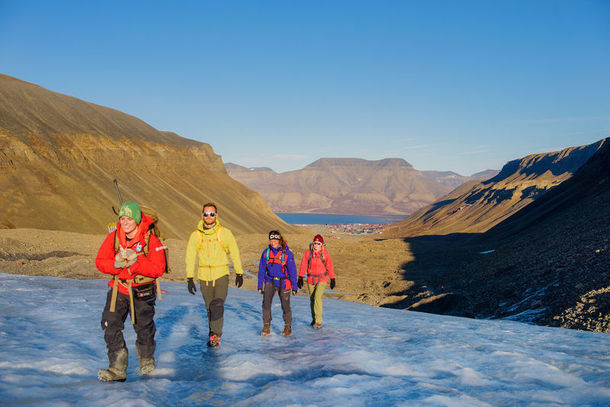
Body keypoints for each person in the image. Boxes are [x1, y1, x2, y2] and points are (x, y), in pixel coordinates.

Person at [96, 201, 166, 382]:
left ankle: (146, 360)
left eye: (129, 218)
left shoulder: (151, 240)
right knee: (109, 324)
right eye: (122, 218)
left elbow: (158, 268)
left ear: (137, 219)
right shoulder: (114, 237)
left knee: (143, 327)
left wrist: (137, 263)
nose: (125, 222)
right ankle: (117, 368)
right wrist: (115, 265)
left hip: (142, 290)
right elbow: (100, 260)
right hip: (119, 288)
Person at [185, 202, 244, 348]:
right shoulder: (196, 235)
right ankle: (212, 332)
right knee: (209, 308)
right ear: (202, 215)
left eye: (212, 214)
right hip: (204, 276)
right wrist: (189, 277)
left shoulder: (225, 233)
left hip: (221, 275)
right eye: (206, 214)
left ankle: (216, 335)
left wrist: (239, 272)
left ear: (216, 216)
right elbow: (190, 256)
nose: (209, 216)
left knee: (217, 305)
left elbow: (234, 252)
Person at [258, 230, 298, 336]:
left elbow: (292, 271)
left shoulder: (286, 254)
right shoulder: (266, 253)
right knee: (266, 304)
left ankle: (287, 326)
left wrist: (295, 286)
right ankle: (266, 326)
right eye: (271, 239)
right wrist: (259, 285)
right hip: (270, 281)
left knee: (285, 305)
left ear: (279, 240)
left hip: (284, 282)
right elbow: (262, 269)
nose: (273, 242)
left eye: (275, 239)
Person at [298, 234, 335, 329]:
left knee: (317, 298)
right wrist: (301, 277)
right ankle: (314, 319)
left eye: (318, 243)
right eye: (315, 243)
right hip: (310, 279)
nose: (316, 245)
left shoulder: (325, 254)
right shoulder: (308, 253)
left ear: (322, 244)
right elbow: (303, 265)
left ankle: (318, 321)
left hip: (322, 279)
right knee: (312, 299)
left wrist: (332, 278)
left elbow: (329, 266)